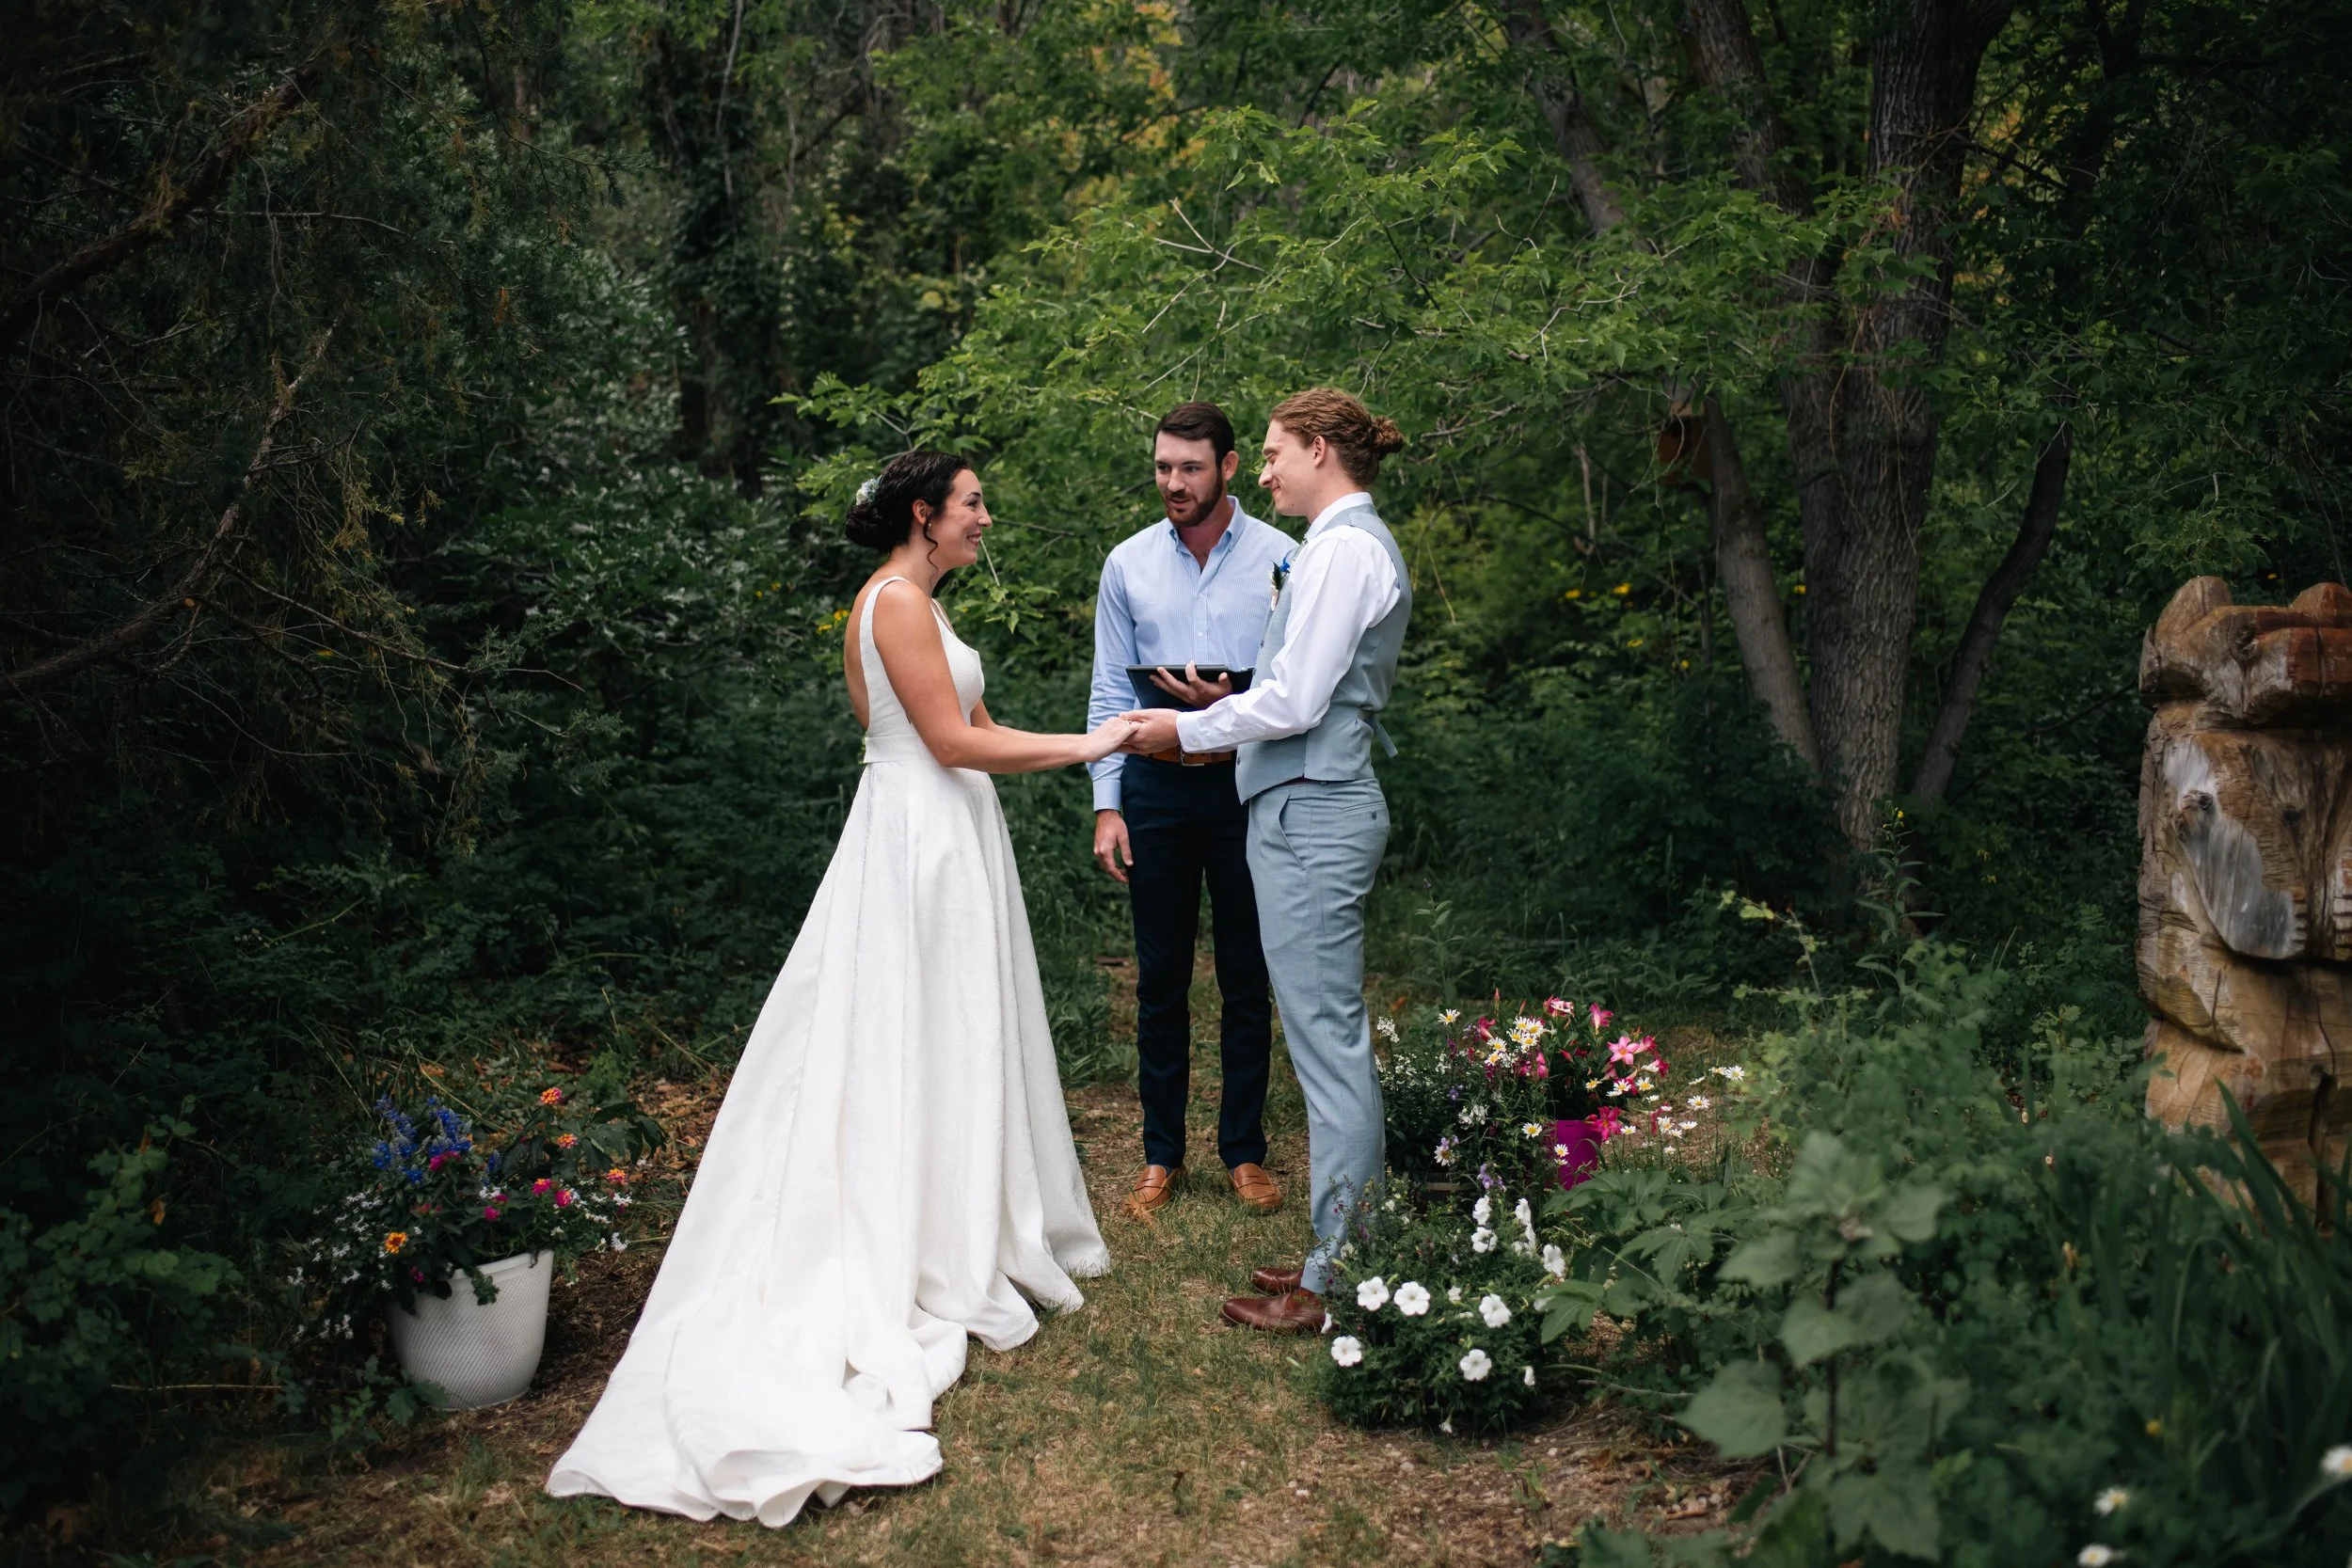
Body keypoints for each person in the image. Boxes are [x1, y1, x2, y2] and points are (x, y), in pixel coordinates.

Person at [548, 452, 1132, 1526]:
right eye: (971, 504)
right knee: (905, 1030)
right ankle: (912, 1240)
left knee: (944, 1033)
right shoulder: (894, 602)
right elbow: (943, 742)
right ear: (925, 515)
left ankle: (959, 1206)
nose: (984, 518)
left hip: (947, 833)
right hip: (918, 836)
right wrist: (1092, 742)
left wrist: (1069, 752)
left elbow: (975, 726)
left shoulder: (908, 607)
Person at [1120, 388, 1410, 1334]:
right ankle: (1342, 1241)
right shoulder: (1331, 548)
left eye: (1279, 450)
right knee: (1321, 1038)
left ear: (1320, 450)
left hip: (1315, 811)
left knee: (1326, 1044)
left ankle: (1339, 1275)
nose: (1270, 466)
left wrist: (1182, 726)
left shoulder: (1344, 549)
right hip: (1297, 806)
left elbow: (1290, 700)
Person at [1088, 401, 1295, 1222]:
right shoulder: (1127, 564)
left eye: (1191, 468)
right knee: (1161, 978)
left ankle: (1244, 1150)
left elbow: (1299, 686)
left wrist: (1228, 702)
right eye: (1164, 467)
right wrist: (1109, 803)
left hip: (1249, 785)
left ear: (1231, 467)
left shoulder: (1287, 559)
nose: (1174, 482)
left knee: (1248, 976)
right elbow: (1109, 690)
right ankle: (1160, 1155)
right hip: (1156, 789)